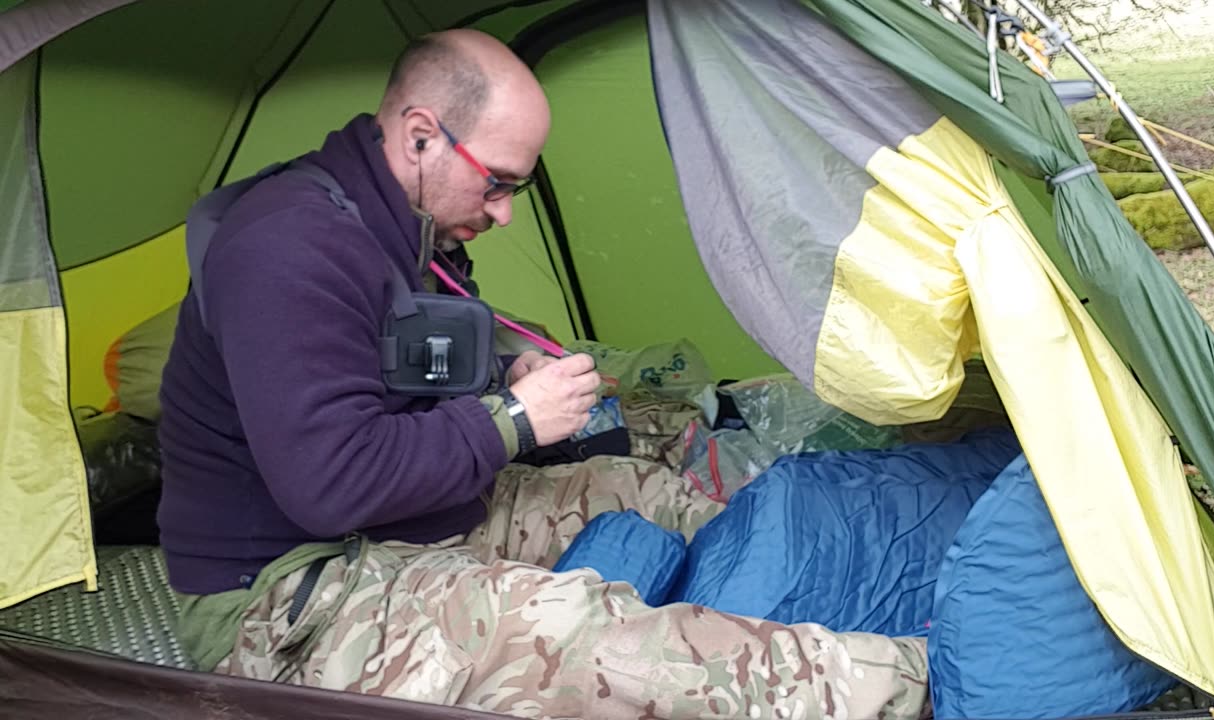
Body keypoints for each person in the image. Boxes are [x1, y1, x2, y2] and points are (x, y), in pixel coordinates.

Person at [157, 28, 931, 719]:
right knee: (573, 630)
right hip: (286, 591)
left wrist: (501, 379)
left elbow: (392, 372)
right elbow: (329, 482)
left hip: (402, 522)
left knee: (639, 487)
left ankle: (848, 585)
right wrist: (514, 419)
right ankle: (912, 682)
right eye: (497, 182)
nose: (504, 214)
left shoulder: (395, 225)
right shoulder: (287, 249)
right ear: (421, 136)